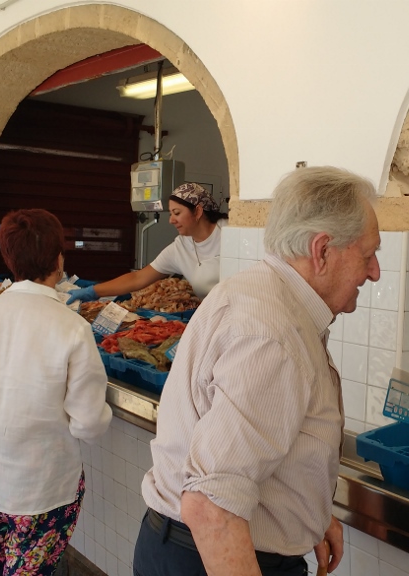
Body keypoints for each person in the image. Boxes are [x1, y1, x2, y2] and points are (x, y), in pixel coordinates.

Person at [134, 166, 381, 576]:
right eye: (368, 255)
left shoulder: (263, 294)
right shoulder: (273, 336)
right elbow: (212, 506)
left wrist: (303, 514)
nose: (373, 272)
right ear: (322, 250)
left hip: (190, 547)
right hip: (213, 555)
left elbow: (258, 448)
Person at [0, 208, 112, 575]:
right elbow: (89, 424)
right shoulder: (72, 327)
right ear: (58, 259)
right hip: (44, 491)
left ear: (8, 258)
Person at [67, 182, 225, 302]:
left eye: (177, 213)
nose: (171, 220)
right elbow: (138, 278)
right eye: (170, 213)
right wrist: (94, 291)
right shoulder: (180, 248)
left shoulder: (231, 232)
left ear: (197, 211)